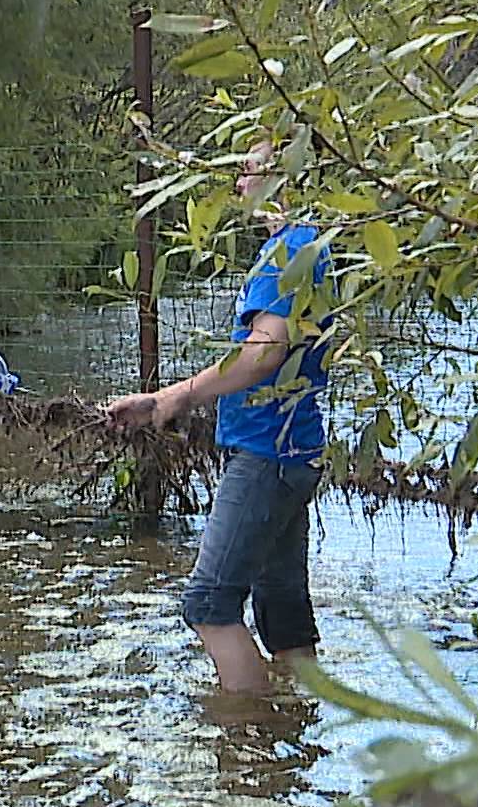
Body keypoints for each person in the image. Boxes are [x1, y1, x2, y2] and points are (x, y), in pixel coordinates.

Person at [106, 137, 336, 694]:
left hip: (266, 456)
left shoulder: (290, 252)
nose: (239, 184)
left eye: (249, 171)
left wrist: (174, 398)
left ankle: (248, 738)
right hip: (293, 450)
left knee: (209, 603)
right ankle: (298, 732)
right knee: (281, 612)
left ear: (285, 178)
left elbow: (264, 352)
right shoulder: (312, 246)